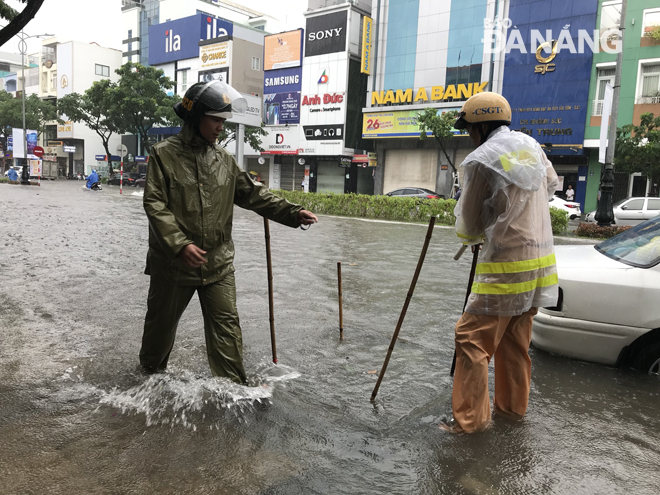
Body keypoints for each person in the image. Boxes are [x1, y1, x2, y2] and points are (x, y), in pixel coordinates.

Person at [139, 81, 318, 385]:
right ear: (195, 118)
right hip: (173, 266)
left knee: (227, 331)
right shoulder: (163, 156)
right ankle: (147, 382)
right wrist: (180, 245)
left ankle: (233, 393)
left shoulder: (224, 160)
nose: (221, 128)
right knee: (159, 332)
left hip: (218, 264)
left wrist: (291, 212)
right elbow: (154, 203)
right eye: (215, 120)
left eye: (223, 121)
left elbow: (254, 194)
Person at [443, 92, 559, 433]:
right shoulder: (531, 146)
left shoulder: (482, 158)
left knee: (471, 339)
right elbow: (550, 185)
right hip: (539, 262)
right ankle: (511, 413)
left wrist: (476, 233)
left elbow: (468, 221)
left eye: (468, 129)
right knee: (514, 341)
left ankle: (469, 425)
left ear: (479, 127)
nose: (468, 136)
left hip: (507, 263)